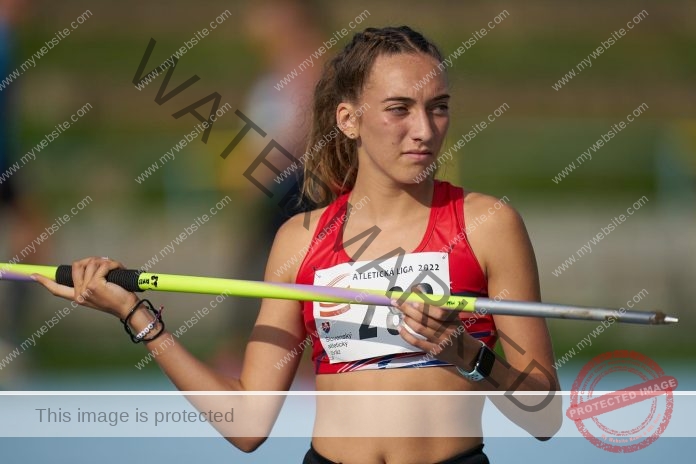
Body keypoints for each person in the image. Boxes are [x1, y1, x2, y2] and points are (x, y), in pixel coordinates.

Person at [33, 26, 562, 464]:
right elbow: (247, 423)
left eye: (438, 107)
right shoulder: (299, 239)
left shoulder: (488, 224)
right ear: (348, 119)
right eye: (399, 109)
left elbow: (544, 415)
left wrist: (467, 353)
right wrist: (138, 319)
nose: (424, 129)